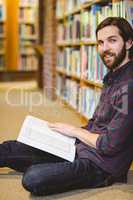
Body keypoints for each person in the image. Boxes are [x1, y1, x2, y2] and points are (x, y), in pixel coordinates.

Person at [0, 17, 133, 196]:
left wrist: (74, 131)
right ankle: (55, 158)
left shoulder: (129, 85)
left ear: (129, 43)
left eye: (112, 40)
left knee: (33, 178)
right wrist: (59, 138)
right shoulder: (112, 77)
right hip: (80, 147)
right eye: (100, 42)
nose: (105, 48)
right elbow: (95, 122)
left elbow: (109, 145)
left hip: (102, 166)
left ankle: (55, 163)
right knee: (11, 147)